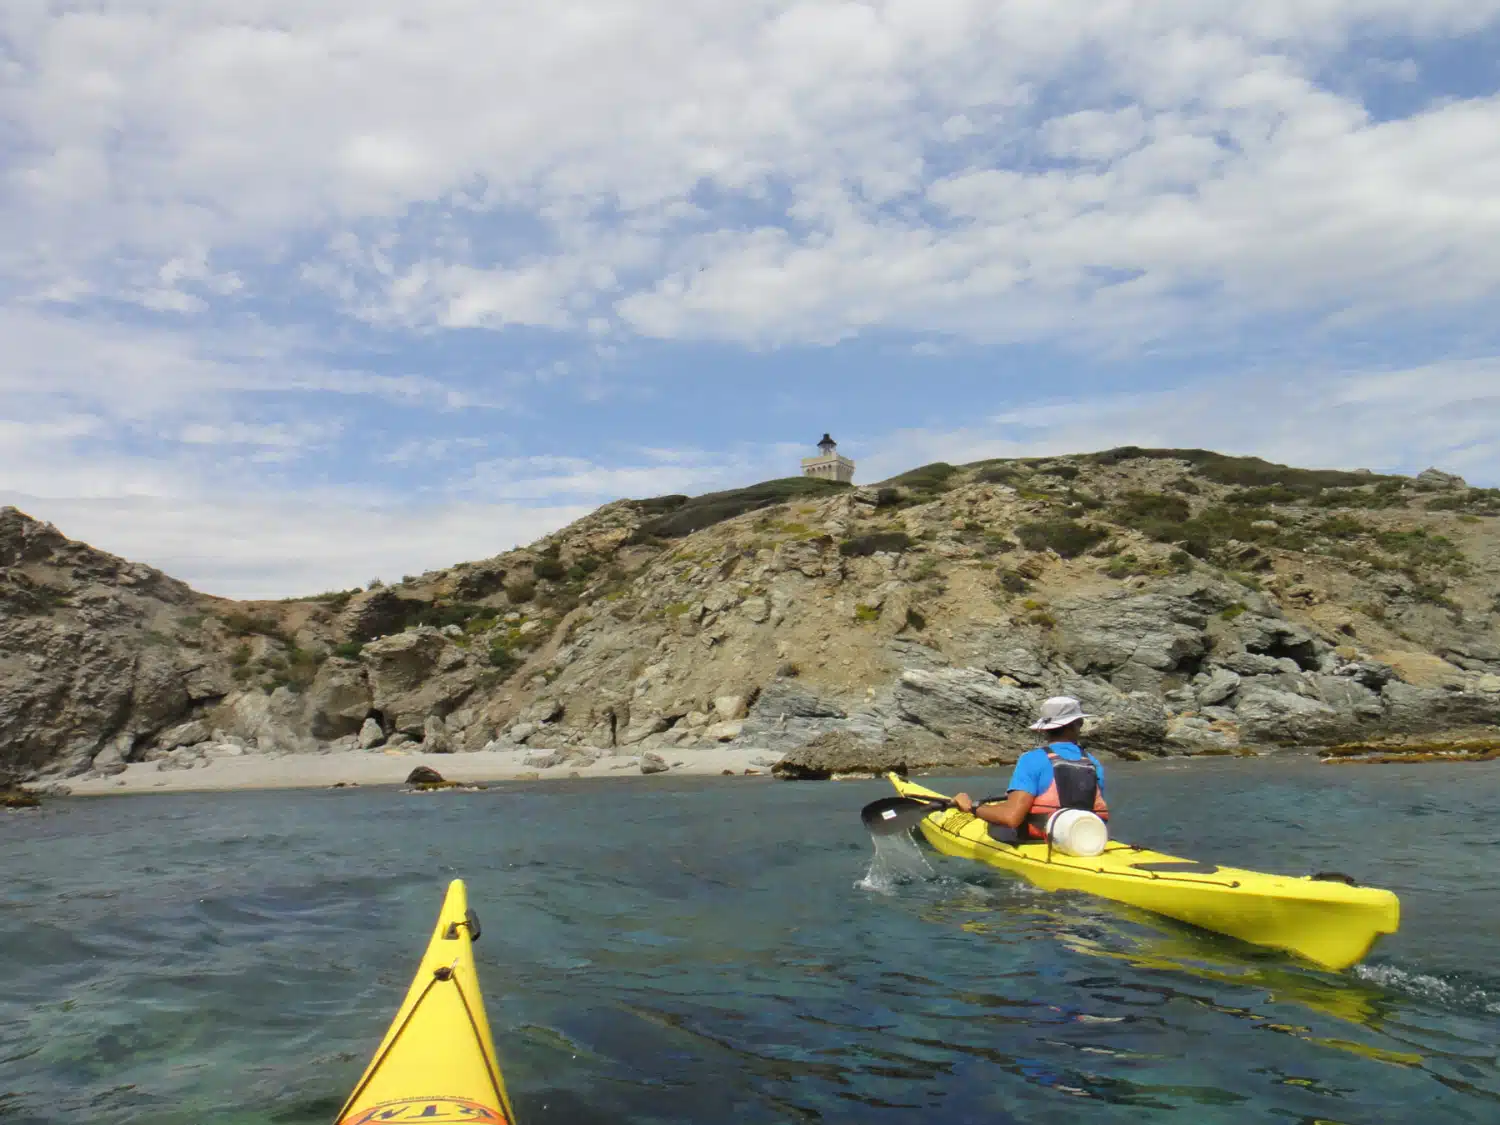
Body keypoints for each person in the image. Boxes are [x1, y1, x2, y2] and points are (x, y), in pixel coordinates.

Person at [952, 696, 1109, 844]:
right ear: (1078, 724)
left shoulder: (1032, 759)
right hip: (1082, 840)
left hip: (1040, 840)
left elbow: (1011, 818)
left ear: (1045, 729)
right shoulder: (1092, 763)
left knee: (995, 827)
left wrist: (972, 807)